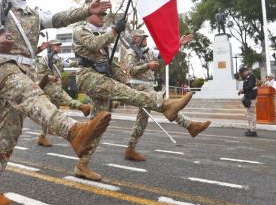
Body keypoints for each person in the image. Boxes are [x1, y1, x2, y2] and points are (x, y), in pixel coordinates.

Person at [0, 0, 112, 205]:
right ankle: (73, 131)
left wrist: (87, 10)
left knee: (11, 132)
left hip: (25, 71)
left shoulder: (34, 13)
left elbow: (59, 18)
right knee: (31, 94)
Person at [72, 12, 193, 181]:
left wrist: (125, 81)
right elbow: (94, 45)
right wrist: (114, 31)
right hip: (89, 77)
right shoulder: (81, 30)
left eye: (104, 14)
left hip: (106, 81)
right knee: (127, 93)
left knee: (97, 125)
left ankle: (82, 165)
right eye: (99, 14)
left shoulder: (107, 39)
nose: (102, 16)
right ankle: (165, 106)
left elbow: (113, 66)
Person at [123, 29, 211, 161]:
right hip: (140, 88)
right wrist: (147, 65)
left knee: (141, 122)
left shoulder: (148, 52)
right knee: (164, 103)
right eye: (143, 37)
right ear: (136, 39)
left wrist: (179, 44)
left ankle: (130, 149)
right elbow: (130, 70)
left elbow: (165, 53)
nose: (146, 39)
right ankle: (190, 126)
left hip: (148, 87)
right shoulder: (131, 53)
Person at [35, 39, 91, 147]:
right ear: (51, 47)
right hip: (49, 85)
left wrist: (82, 61)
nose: (59, 47)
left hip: (57, 84)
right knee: (64, 97)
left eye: (59, 46)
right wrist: (51, 77)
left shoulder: (58, 59)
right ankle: (82, 106)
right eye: (57, 46)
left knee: (51, 112)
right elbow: (39, 75)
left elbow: (70, 63)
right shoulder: (45, 59)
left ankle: (42, 136)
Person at [238, 67, 258, 137]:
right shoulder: (246, 78)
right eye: (241, 73)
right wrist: (242, 91)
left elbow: (250, 86)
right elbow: (247, 88)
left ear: (246, 71)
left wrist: (243, 90)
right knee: (248, 115)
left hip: (251, 98)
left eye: (243, 72)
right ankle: (250, 129)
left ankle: (253, 131)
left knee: (252, 115)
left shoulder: (251, 77)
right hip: (248, 98)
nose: (242, 74)